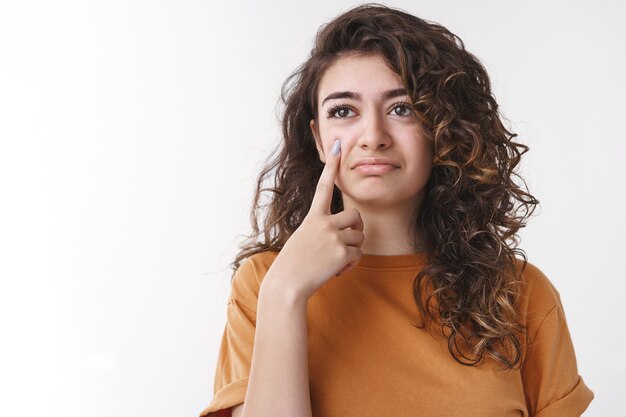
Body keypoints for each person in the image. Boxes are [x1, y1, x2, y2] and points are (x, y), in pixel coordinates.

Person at [198, 3, 594, 417]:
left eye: (401, 108)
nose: (373, 136)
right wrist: (284, 295)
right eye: (343, 111)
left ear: (441, 128)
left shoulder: (520, 293)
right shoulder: (266, 284)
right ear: (318, 138)